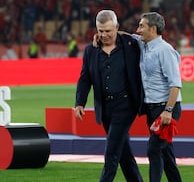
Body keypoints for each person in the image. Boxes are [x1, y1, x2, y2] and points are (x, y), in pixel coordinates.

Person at [74, 10, 144, 182]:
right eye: (101, 31)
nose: (104, 35)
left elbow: (151, 42)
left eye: (108, 31)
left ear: (117, 28)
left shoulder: (130, 44)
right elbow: (85, 78)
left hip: (126, 105)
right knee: (124, 153)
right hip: (104, 108)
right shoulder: (91, 50)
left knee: (112, 151)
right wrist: (79, 103)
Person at [133, 12, 182, 182]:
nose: (138, 30)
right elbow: (126, 36)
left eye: (141, 26)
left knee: (153, 150)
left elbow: (175, 84)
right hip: (152, 109)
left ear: (153, 29)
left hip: (165, 109)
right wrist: (101, 36)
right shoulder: (143, 44)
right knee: (165, 153)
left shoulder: (165, 50)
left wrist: (168, 111)